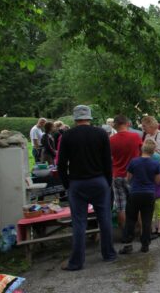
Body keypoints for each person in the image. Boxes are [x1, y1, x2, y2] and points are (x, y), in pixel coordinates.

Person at [57, 105, 116, 271]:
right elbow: (107, 161)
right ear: (89, 118)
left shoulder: (67, 135)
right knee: (104, 218)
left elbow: (61, 164)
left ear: (75, 119)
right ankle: (109, 254)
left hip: (77, 182)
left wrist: (67, 183)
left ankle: (76, 262)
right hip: (98, 180)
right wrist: (107, 181)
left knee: (79, 222)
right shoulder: (100, 134)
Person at [119, 139, 160, 254]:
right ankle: (145, 244)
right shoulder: (155, 164)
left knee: (131, 219)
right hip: (149, 194)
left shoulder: (134, 162)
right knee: (147, 219)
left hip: (135, 193)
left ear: (142, 148)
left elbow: (128, 178)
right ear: (153, 151)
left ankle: (128, 244)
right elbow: (158, 181)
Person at [110, 115, 143, 229]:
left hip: (117, 175)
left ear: (115, 125)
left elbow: (110, 157)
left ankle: (126, 232)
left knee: (121, 206)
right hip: (133, 175)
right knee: (138, 204)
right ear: (127, 123)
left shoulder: (111, 140)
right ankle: (141, 230)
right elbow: (142, 153)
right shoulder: (135, 137)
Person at [141, 116, 160, 237]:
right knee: (153, 198)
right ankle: (155, 225)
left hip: (158, 170)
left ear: (151, 125)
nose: (143, 129)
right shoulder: (148, 135)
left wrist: (148, 153)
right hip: (149, 170)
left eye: (145, 126)